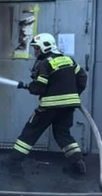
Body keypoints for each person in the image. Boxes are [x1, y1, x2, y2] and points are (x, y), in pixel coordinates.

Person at [10, 32, 88, 175]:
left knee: (31, 131)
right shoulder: (69, 60)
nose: (35, 51)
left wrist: (28, 86)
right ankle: (77, 162)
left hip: (49, 107)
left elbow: (39, 88)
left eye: (37, 48)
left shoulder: (45, 63)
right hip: (69, 106)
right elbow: (82, 78)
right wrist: (73, 95)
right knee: (63, 133)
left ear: (46, 47)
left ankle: (14, 162)